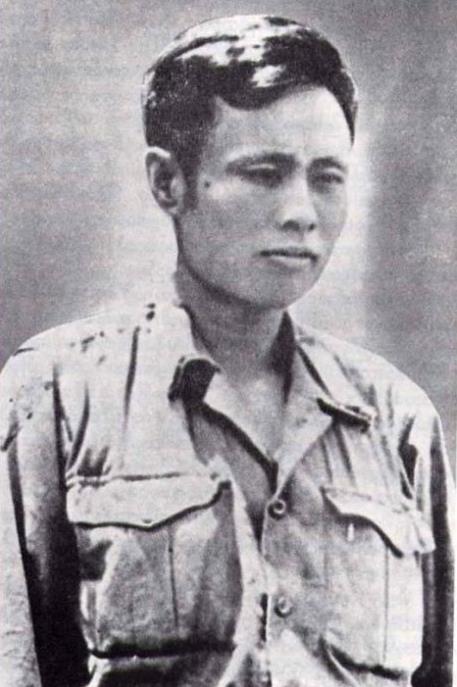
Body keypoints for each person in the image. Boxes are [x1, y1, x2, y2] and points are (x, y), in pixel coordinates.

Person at [0, 14, 453, 687]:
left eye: (327, 177)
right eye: (265, 173)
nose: (301, 212)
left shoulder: (397, 423)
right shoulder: (57, 396)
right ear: (168, 182)